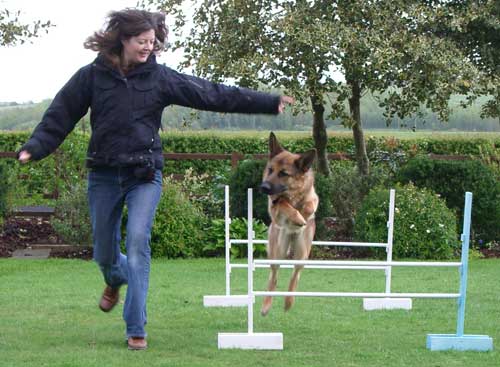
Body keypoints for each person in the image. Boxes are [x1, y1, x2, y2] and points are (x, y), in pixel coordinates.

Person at [17, 9, 294, 351]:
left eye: (152, 42)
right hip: (103, 174)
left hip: (144, 175)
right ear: (123, 39)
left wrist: (267, 101)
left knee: (137, 243)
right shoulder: (92, 76)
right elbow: (60, 114)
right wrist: (35, 147)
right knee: (104, 255)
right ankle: (114, 279)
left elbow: (211, 93)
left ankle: (136, 327)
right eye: (142, 42)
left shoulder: (159, 78)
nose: (148, 48)